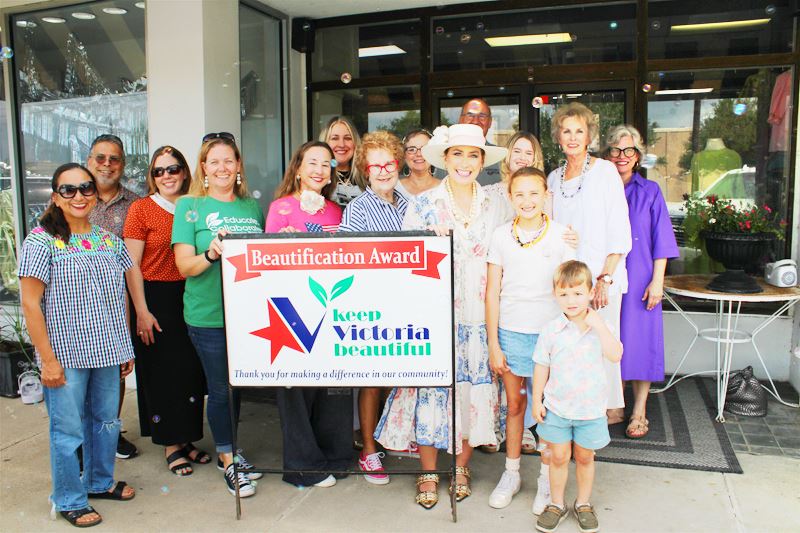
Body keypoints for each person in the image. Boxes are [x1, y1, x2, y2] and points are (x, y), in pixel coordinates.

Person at [374, 123, 508, 509]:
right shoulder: (422, 204)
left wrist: (566, 236)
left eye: (473, 155)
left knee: (472, 394)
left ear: (482, 161)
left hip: (480, 318)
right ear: (444, 159)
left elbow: (523, 235)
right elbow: (405, 265)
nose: (465, 162)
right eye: (457, 154)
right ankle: (428, 471)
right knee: (431, 393)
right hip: (436, 318)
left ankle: (461, 467)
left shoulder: (497, 203)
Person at [19, 163, 136, 528]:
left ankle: (99, 482)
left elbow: (119, 297)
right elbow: (29, 303)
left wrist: (124, 346)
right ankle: (68, 497)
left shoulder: (108, 241)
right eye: (68, 190)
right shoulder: (40, 240)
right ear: (56, 197)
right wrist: (47, 360)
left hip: (106, 350)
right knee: (67, 430)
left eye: (85, 188)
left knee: (105, 422)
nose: (79, 196)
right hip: (65, 357)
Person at [172, 132, 265, 497]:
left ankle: (232, 449)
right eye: (215, 162)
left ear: (238, 166)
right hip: (208, 314)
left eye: (229, 160)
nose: (223, 167)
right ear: (204, 168)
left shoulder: (251, 208)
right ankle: (228, 460)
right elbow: (183, 266)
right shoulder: (189, 206)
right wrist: (211, 254)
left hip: (248, 315)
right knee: (221, 389)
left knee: (235, 385)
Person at [485, 167, 575, 510]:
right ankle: (511, 472)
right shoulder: (500, 236)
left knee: (547, 410)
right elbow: (493, 291)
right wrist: (494, 343)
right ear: (510, 197)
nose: (526, 201)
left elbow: (569, 291)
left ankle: (545, 480)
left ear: (545, 196)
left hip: (549, 336)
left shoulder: (561, 236)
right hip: (510, 331)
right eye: (519, 194)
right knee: (515, 406)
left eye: (534, 193)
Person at [266, 141, 350, 488]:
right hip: (292, 309)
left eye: (325, 164)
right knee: (296, 390)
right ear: (297, 169)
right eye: (311, 163)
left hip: (329, 307)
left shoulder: (336, 211)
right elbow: (265, 262)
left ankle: (335, 456)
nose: (319, 170)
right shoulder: (279, 208)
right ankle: (302, 466)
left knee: (332, 387)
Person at [123, 145, 209, 476]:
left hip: (192, 293)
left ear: (185, 172)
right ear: (152, 177)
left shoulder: (195, 206)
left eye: (172, 169)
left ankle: (188, 439)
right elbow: (131, 265)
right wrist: (141, 311)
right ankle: (171, 444)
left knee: (190, 371)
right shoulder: (142, 210)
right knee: (163, 372)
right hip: (155, 296)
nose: (167, 176)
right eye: (159, 171)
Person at [546, 102, 632, 426]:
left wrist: (604, 279)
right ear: (557, 136)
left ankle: (602, 414)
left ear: (589, 136)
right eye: (566, 131)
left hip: (601, 278)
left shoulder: (605, 172)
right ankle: (573, 411)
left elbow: (619, 229)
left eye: (579, 131)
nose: (572, 137)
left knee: (602, 345)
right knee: (571, 349)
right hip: (569, 284)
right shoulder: (553, 179)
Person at [532, 260, 623, 533]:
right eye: (564, 294)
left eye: (578, 293)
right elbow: (541, 366)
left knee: (585, 457)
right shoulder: (551, 330)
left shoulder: (600, 327)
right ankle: (556, 504)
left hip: (590, 409)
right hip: (558, 408)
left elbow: (615, 355)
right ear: (555, 295)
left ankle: (583, 503)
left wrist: (599, 326)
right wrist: (536, 400)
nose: (571, 300)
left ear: (589, 292)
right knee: (557, 457)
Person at [340, 131, 409, 485]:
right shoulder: (357, 208)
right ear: (366, 171)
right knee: (372, 380)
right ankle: (368, 450)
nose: (383, 171)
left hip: (408, 303)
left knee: (402, 376)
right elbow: (348, 260)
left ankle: (391, 436)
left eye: (389, 163)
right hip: (373, 305)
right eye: (376, 166)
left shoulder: (412, 202)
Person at [603, 125, 679, 439]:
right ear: (607, 155)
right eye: (615, 150)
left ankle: (639, 410)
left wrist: (657, 281)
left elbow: (661, 238)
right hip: (606, 276)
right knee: (610, 339)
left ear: (638, 156)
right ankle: (615, 404)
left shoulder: (650, 191)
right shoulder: (600, 189)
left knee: (641, 342)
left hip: (641, 276)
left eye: (628, 151)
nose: (622, 156)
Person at [85, 133, 140, 460]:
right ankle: (82, 435)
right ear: (90, 161)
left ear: (122, 164)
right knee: (78, 375)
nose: (107, 165)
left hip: (117, 302)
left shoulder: (135, 203)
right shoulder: (72, 197)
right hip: (75, 301)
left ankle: (110, 430)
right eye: (100, 158)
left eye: (114, 159)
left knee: (115, 369)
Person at [319, 116, 365, 206]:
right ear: (325, 143)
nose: (341, 144)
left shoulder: (367, 177)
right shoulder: (317, 177)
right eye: (335, 138)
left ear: (355, 143)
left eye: (347, 138)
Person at [458, 98, 501, 185]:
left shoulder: (500, 157)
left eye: (482, 116)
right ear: (460, 120)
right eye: (470, 115)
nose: (475, 121)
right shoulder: (447, 155)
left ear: (490, 122)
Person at [397, 129, 439, 197]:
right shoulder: (394, 188)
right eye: (412, 149)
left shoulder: (445, 188)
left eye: (424, 149)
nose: (419, 154)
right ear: (404, 155)